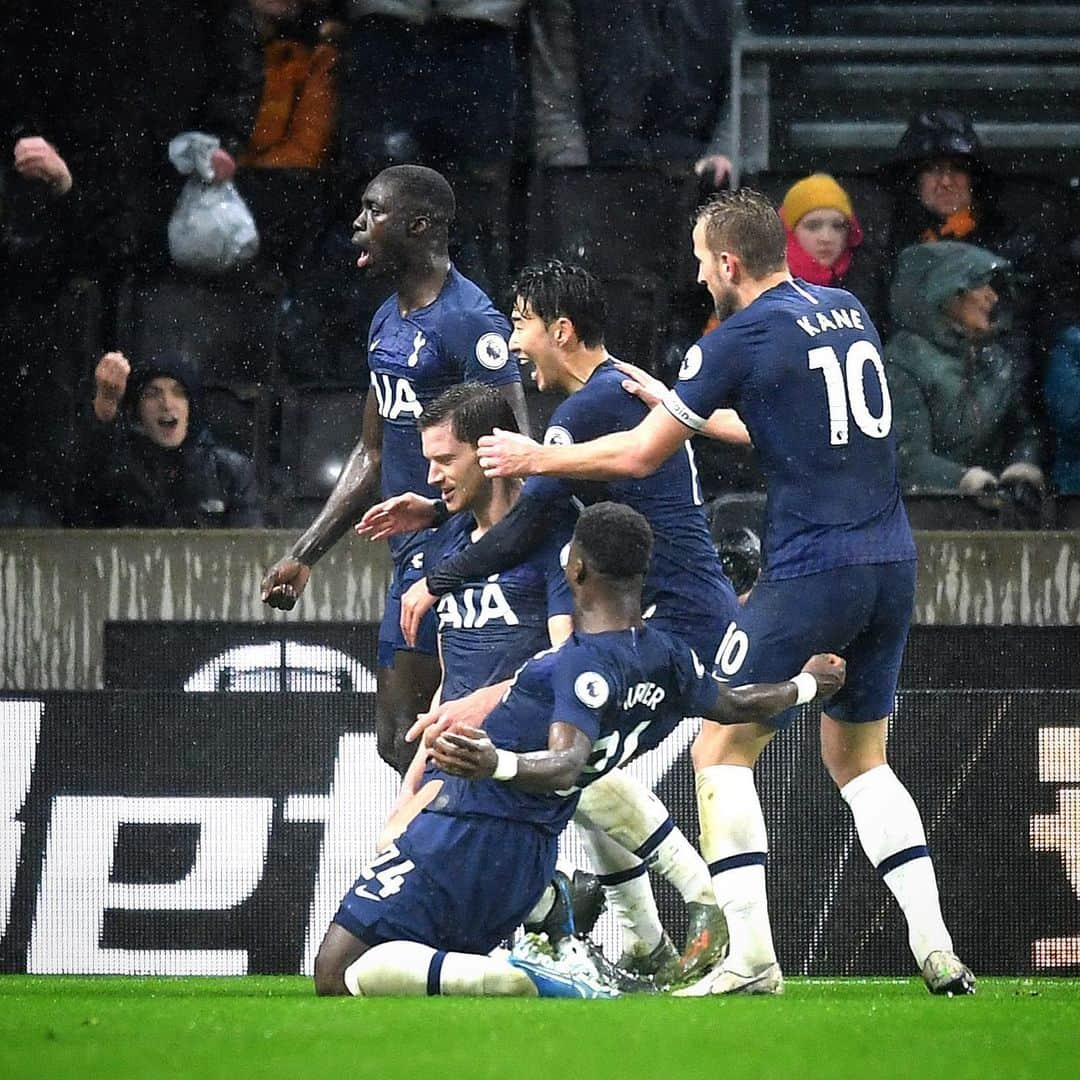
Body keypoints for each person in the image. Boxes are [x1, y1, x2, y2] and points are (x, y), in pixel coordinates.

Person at [475, 189, 975, 997]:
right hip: (892, 560)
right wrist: (680, 405)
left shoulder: (732, 339)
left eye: (703, 261)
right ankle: (936, 946)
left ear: (730, 263)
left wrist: (536, 460)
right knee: (859, 760)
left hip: (814, 569)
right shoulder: (845, 308)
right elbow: (784, 424)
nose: (699, 275)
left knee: (721, 746)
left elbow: (638, 458)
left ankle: (751, 959)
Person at [358, 260, 742, 976]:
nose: (511, 340)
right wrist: (440, 508)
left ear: (561, 329)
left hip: (671, 623)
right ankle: (641, 940)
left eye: (522, 323)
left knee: (570, 758)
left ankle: (694, 905)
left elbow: (531, 522)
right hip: (681, 616)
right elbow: (551, 504)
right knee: (576, 764)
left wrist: (438, 579)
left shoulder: (586, 411)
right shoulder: (613, 388)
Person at [313, 501, 846, 997]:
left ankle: (517, 975)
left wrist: (493, 761)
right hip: (530, 859)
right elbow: (732, 702)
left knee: (335, 972)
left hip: (466, 836)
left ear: (578, 571)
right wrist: (805, 686)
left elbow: (566, 760)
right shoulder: (666, 656)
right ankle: (546, 922)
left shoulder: (577, 664)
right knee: (424, 962)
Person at [261, 165, 528, 775]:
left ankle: (514, 859)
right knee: (403, 739)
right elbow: (372, 451)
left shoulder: (470, 323)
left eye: (373, 211)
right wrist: (305, 552)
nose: (359, 224)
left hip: (464, 555)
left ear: (419, 225)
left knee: (437, 737)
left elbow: (518, 453)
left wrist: (452, 524)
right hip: (410, 554)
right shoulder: (387, 318)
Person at [886, 241, 1044, 501]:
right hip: (928, 516)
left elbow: (1023, 430)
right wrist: (961, 478)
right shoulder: (902, 361)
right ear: (945, 293)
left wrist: (1023, 466)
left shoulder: (995, 359)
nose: (991, 296)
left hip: (997, 516)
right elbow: (906, 455)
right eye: (978, 285)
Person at [72, 350, 263, 528]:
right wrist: (104, 407)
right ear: (138, 411)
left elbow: (250, 549)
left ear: (192, 407)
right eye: (152, 394)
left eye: (179, 392)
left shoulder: (230, 472)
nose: (167, 404)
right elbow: (80, 495)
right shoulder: (119, 468)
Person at [779, 173, 885, 327]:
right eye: (813, 226)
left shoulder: (869, 279)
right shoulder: (764, 281)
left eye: (838, 226)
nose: (826, 237)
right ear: (790, 232)